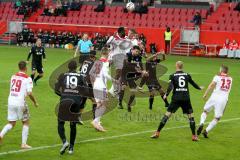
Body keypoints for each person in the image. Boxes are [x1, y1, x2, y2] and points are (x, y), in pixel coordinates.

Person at [151, 61, 203, 141]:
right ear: (182, 66)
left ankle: (157, 133)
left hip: (176, 98)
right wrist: (199, 88)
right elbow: (192, 83)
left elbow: (171, 86)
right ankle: (194, 136)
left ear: (176, 66)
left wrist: (166, 94)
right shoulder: (187, 75)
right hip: (186, 98)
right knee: (191, 117)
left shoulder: (173, 76)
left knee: (167, 115)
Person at [0, 61, 38, 149]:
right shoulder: (27, 78)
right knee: (26, 121)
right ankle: (23, 144)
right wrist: (35, 102)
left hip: (11, 101)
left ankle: (1, 134)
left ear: (19, 67)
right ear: (25, 68)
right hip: (20, 102)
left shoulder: (13, 76)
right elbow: (29, 93)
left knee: (12, 123)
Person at [55, 60, 85, 155]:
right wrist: (81, 103)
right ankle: (71, 148)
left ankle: (64, 141)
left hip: (64, 101)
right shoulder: (80, 76)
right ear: (76, 67)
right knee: (73, 125)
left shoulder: (62, 75)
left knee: (60, 122)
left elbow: (56, 90)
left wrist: (63, 95)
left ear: (68, 67)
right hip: (76, 102)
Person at [197, 65, 232, 138]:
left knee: (205, 111)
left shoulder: (217, 77)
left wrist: (205, 94)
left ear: (221, 70)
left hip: (214, 96)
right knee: (217, 118)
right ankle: (206, 131)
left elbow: (211, 85)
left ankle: (201, 123)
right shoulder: (230, 79)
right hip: (223, 99)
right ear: (227, 71)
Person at [91, 47, 117, 131]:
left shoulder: (97, 62)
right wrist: (114, 80)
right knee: (105, 103)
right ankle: (95, 121)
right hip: (101, 85)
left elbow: (91, 73)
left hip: (96, 85)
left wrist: (94, 82)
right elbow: (105, 75)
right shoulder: (105, 63)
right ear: (107, 53)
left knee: (99, 104)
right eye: (109, 53)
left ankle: (97, 123)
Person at [119, 45, 148, 112]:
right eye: (136, 51)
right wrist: (136, 69)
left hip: (131, 75)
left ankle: (129, 105)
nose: (137, 53)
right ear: (132, 50)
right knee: (123, 86)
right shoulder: (127, 55)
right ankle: (120, 103)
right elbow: (126, 64)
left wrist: (143, 71)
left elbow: (140, 65)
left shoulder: (138, 57)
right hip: (124, 74)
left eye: (138, 52)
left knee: (133, 91)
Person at [79, 50, 97, 120]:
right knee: (94, 101)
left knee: (83, 100)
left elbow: (80, 70)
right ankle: (95, 119)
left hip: (81, 82)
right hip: (88, 83)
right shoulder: (93, 63)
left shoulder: (85, 61)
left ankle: (78, 116)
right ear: (94, 56)